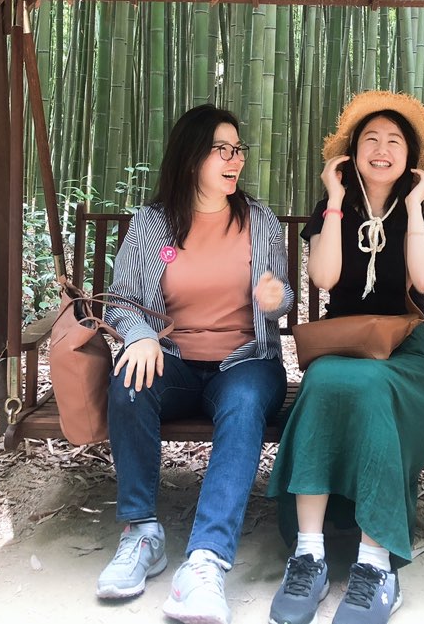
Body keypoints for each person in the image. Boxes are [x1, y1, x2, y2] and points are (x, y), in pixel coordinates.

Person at [96, 104, 293, 624]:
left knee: (245, 404)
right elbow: (122, 300)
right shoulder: (152, 223)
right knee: (130, 381)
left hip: (246, 361)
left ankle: (206, 560)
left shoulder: (259, 222)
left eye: (238, 149)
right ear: (190, 158)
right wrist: (139, 336)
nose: (235, 159)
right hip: (175, 360)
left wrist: (276, 299)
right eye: (221, 149)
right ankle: (141, 533)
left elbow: (281, 297)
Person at [267, 90, 424, 624]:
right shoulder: (336, 211)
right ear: (352, 153)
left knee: (371, 389)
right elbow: (324, 277)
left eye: (394, 141)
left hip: (405, 351)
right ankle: (309, 554)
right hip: (343, 343)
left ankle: (374, 564)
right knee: (323, 384)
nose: (381, 148)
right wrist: (333, 198)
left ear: (410, 158)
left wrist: (414, 207)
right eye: (370, 138)